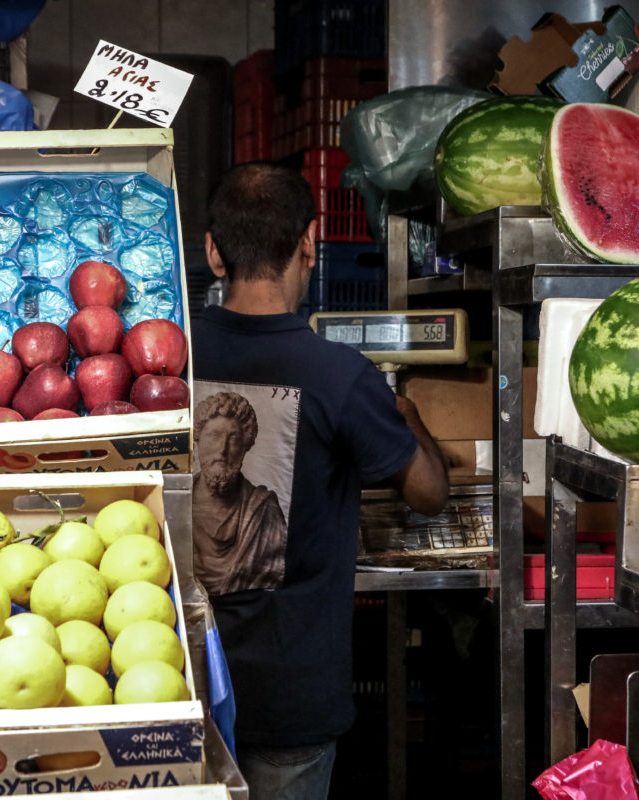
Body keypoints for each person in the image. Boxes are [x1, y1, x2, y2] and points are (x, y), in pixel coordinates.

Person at [191, 161, 450, 800]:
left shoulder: (169, 355)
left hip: (171, 679)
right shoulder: (341, 375)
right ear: (311, 242)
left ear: (212, 251)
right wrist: (408, 419)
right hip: (292, 694)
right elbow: (428, 492)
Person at [192, 390, 288, 596]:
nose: (222, 450)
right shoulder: (178, 501)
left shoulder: (264, 510)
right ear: (197, 440)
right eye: (214, 436)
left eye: (233, 439)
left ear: (246, 446)